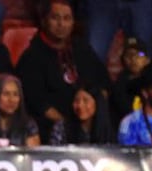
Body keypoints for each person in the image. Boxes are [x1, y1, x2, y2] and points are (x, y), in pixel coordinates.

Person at [15, 0, 109, 143]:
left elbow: (104, 84)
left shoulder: (82, 48)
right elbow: (38, 103)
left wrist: (94, 117)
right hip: (52, 128)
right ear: (44, 21)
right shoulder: (32, 56)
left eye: (67, 19)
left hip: (89, 124)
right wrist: (68, 126)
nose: (61, 24)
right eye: (55, 18)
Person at [49, 83, 115, 145]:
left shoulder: (106, 128)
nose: (80, 106)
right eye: (76, 101)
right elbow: (55, 154)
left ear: (97, 104)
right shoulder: (61, 127)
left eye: (85, 100)